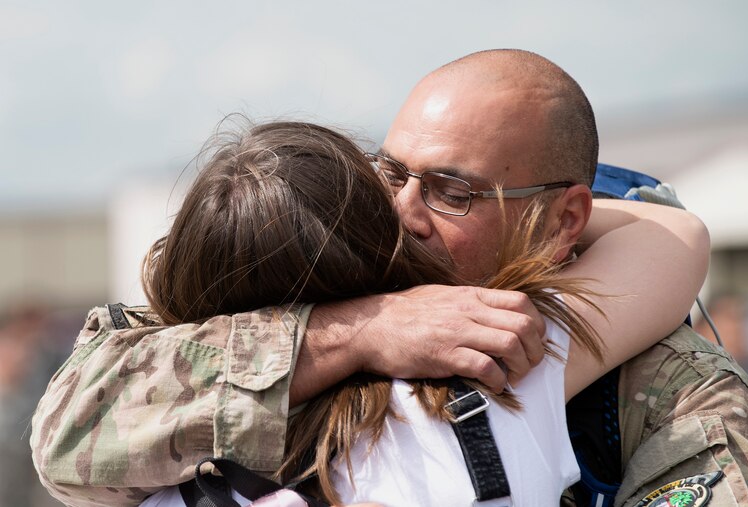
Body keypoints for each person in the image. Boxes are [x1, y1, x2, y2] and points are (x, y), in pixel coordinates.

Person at [30, 49, 748, 506]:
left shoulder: (657, 376)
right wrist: (359, 333)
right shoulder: (275, 295)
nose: (402, 211)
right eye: (389, 173)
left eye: (452, 191)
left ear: (564, 220)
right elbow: (70, 439)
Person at [131, 119, 703, 507]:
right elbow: (675, 237)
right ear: (378, 251)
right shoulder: (489, 371)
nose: (407, 206)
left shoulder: (145, 451)